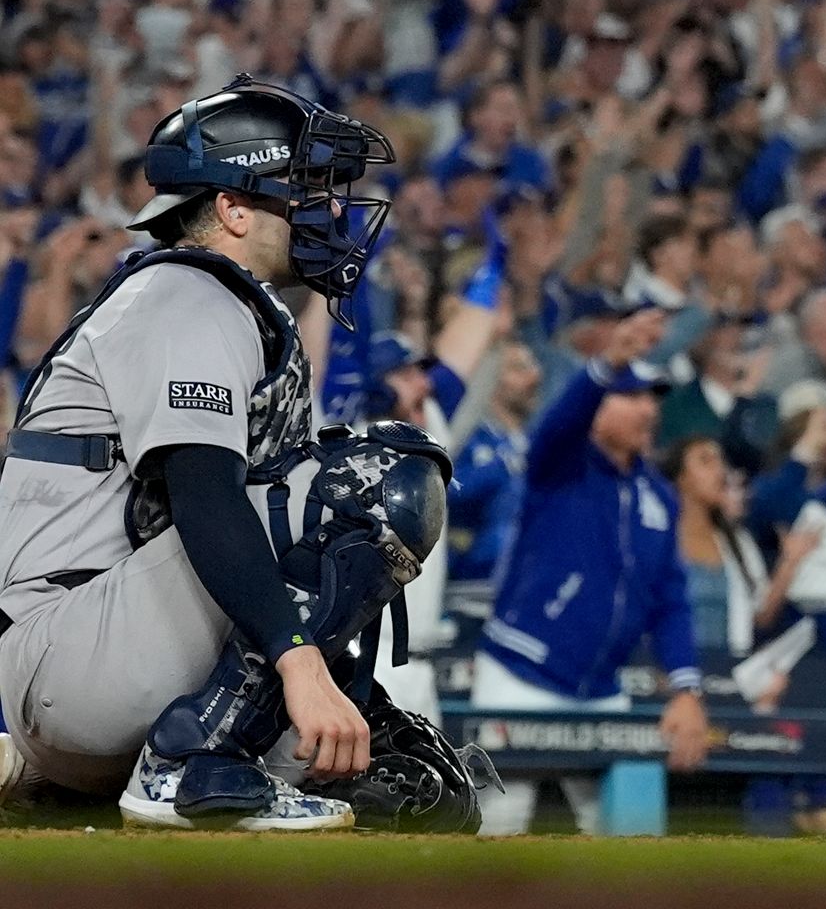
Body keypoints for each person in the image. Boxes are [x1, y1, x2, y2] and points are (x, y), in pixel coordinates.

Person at [0, 79, 473, 833]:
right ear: (232, 208)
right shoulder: (188, 294)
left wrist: (355, 700)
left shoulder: (223, 303)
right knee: (377, 481)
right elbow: (207, 498)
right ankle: (189, 760)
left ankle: (157, 763)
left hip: (106, 653)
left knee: (405, 787)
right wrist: (298, 662)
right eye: (306, 190)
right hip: (74, 658)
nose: (333, 212)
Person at [469, 321, 713, 835]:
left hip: (603, 689)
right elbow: (559, 425)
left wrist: (686, 689)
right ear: (600, 404)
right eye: (631, 397)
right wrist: (603, 370)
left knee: (632, 833)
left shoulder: (658, 496)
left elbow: (671, 599)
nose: (648, 409)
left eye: (652, 398)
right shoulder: (559, 465)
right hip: (521, 672)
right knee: (496, 825)